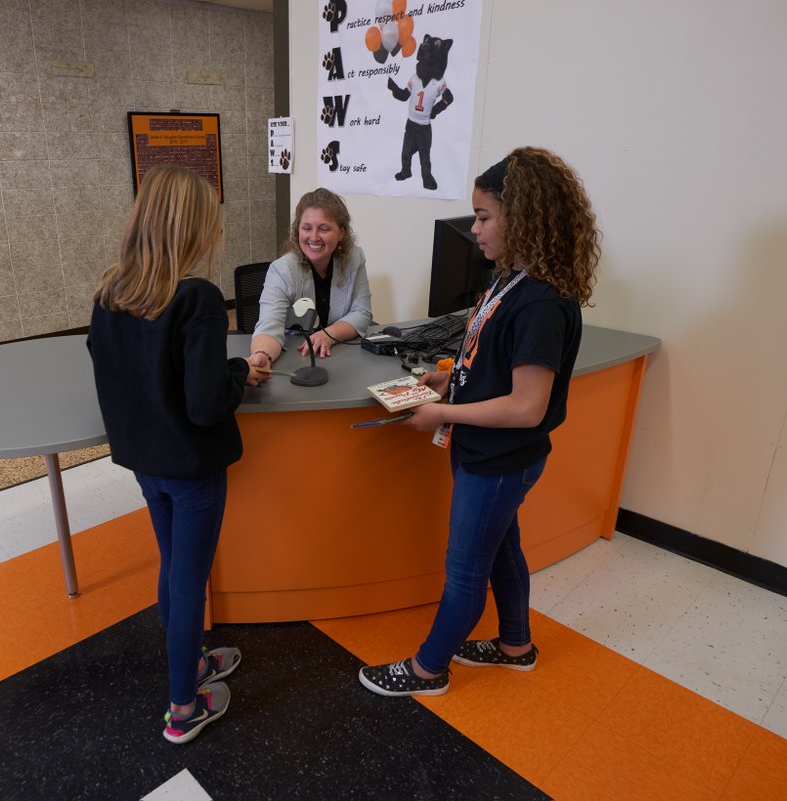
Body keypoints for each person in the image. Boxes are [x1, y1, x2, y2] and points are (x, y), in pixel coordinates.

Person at [358, 147, 600, 697]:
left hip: (499, 460)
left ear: (525, 218)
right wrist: (450, 381)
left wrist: (440, 412)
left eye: (485, 217)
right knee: (503, 550)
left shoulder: (540, 302)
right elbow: (489, 362)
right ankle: (516, 647)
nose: (475, 228)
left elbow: (526, 406)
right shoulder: (509, 280)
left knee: (466, 570)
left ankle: (426, 670)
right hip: (487, 454)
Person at [86, 166, 269, 742]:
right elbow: (207, 404)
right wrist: (242, 372)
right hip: (193, 467)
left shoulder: (111, 291)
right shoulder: (198, 296)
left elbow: (123, 375)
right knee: (189, 582)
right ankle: (184, 708)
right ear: (193, 228)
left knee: (173, 569)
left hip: (145, 462)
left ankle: (188, 665)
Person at [245, 188, 373, 369]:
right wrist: (262, 355)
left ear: (341, 233)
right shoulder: (282, 270)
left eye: (324, 228)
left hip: (340, 358)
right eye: (306, 228)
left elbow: (362, 313)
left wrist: (327, 335)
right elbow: (269, 325)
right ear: (297, 231)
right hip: (296, 359)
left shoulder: (354, 258)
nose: (314, 237)